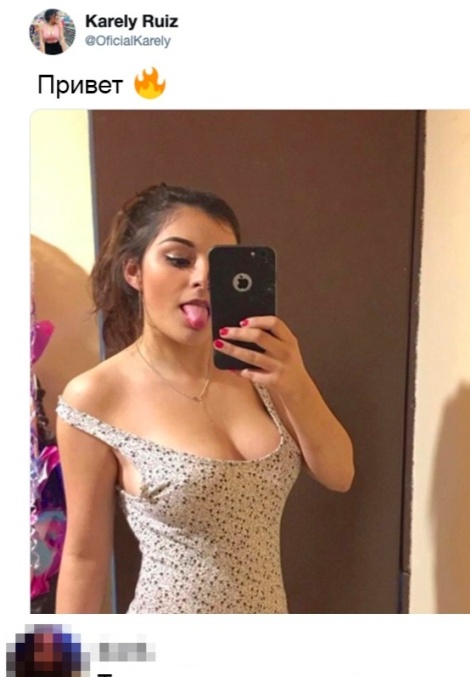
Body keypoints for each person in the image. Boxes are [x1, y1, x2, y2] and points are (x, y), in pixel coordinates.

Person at [55, 183, 354, 614]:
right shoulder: (97, 395)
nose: (202, 278)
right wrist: (57, 659)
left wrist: (295, 380)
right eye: (179, 259)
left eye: (220, 265)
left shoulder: (263, 372)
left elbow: (339, 474)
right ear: (134, 271)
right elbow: (84, 558)